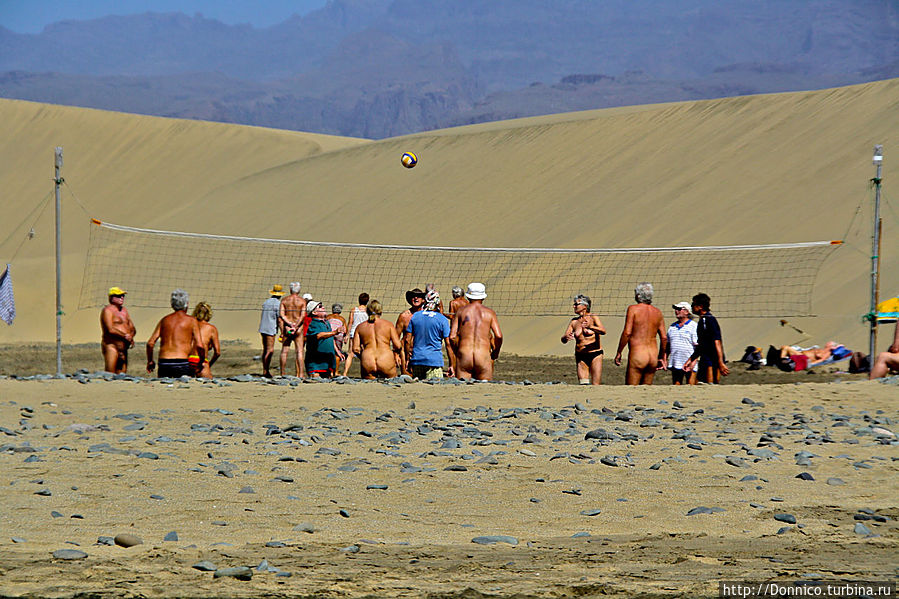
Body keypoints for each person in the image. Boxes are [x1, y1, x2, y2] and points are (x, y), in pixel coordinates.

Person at [614, 282, 667, 385]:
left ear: (638, 295)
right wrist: (661, 356)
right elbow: (664, 338)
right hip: (653, 356)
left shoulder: (633, 309)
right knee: (645, 391)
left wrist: (619, 352)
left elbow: (627, 333)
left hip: (638, 355)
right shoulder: (658, 312)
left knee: (631, 390)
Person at [450, 282, 503, 380]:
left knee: (463, 390)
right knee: (484, 391)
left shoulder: (461, 311)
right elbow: (498, 336)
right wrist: (496, 352)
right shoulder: (490, 313)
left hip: (465, 354)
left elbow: (452, 336)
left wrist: (457, 351)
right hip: (483, 355)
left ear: (468, 296)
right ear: (483, 297)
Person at [146, 289, 203, 378]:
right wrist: (201, 361)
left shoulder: (164, 320)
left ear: (172, 304)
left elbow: (150, 343)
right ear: (187, 304)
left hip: (164, 362)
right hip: (182, 362)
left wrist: (150, 361)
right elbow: (200, 345)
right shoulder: (192, 321)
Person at [405, 289, 454, 379]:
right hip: (434, 361)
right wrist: (451, 364)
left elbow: (407, 340)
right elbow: (448, 344)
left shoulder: (415, 316)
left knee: (418, 388)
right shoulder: (442, 319)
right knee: (434, 388)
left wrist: (408, 359)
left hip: (417, 359)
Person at [560, 294, 606, 385]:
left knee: (595, 385)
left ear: (585, 306)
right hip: (581, 356)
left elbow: (603, 331)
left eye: (576, 304)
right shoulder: (574, 321)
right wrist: (566, 337)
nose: (574, 306)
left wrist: (591, 327)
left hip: (595, 354)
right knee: (583, 384)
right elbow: (563, 339)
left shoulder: (593, 317)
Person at [683, 292, 729, 383]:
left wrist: (720, 362)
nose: (692, 307)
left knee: (710, 385)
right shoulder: (702, 320)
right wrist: (691, 359)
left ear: (700, 306)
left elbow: (717, 342)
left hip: (712, 360)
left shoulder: (708, 320)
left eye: (693, 304)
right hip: (706, 359)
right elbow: (702, 344)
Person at [352, 299, 403, 379]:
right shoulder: (388, 325)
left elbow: (355, 349)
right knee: (391, 386)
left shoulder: (360, 327)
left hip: (368, 360)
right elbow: (398, 345)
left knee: (369, 389)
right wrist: (396, 354)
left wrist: (363, 356)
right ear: (380, 311)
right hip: (385, 359)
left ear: (367, 311)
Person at [100, 286, 136, 374]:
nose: (122, 298)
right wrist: (125, 336)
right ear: (111, 298)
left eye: (123, 296)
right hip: (112, 346)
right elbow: (110, 329)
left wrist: (131, 335)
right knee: (110, 374)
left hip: (123, 348)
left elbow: (132, 327)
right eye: (119, 296)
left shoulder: (124, 310)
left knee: (122, 375)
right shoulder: (107, 311)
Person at [665, 301, 698, 385]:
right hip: (676, 361)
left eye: (679, 309)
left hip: (689, 361)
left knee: (691, 385)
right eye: (676, 309)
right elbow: (668, 345)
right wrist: (665, 358)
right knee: (676, 385)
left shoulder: (693, 326)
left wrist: (693, 361)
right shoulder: (672, 327)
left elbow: (698, 346)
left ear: (687, 312)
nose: (676, 311)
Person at [279, 282, 306, 377]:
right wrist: (296, 326)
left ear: (290, 289)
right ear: (299, 290)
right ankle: (301, 374)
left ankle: (282, 373)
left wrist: (289, 324)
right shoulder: (302, 301)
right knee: (299, 351)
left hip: (287, 327)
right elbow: (302, 315)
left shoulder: (285, 300)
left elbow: (282, 315)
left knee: (284, 350)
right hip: (298, 328)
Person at [305, 301, 339, 377]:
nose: (323, 307)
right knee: (316, 383)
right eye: (320, 306)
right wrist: (334, 332)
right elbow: (318, 335)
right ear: (314, 312)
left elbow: (331, 338)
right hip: (316, 362)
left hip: (327, 360)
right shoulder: (313, 323)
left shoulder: (327, 322)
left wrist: (337, 351)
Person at [396, 287, 426, 372]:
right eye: (413, 296)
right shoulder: (404, 316)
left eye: (418, 296)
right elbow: (396, 337)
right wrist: (396, 354)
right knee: (406, 378)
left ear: (423, 300)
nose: (415, 298)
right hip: (405, 353)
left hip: (422, 353)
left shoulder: (427, 316)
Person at [342, 292, 370, 377]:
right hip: (364, 333)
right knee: (364, 354)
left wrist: (347, 335)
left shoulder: (354, 310)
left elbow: (350, 323)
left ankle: (345, 373)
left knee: (350, 353)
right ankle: (364, 373)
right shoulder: (368, 311)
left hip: (354, 333)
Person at [258, 283, 284, 378]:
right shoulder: (278, 304)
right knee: (270, 350)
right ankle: (266, 371)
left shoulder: (266, 302)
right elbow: (279, 319)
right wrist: (282, 332)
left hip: (263, 328)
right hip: (270, 329)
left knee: (265, 350)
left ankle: (265, 370)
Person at [190, 301, 221, 378]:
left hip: (188, 360)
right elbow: (217, 352)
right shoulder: (211, 329)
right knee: (207, 385)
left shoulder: (188, 326)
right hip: (202, 360)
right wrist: (209, 364)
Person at [327, 303, 347, 371]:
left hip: (330, 334)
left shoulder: (328, 317)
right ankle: (335, 371)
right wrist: (344, 337)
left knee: (329, 352)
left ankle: (329, 371)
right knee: (337, 354)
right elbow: (345, 330)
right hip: (339, 335)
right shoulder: (342, 319)